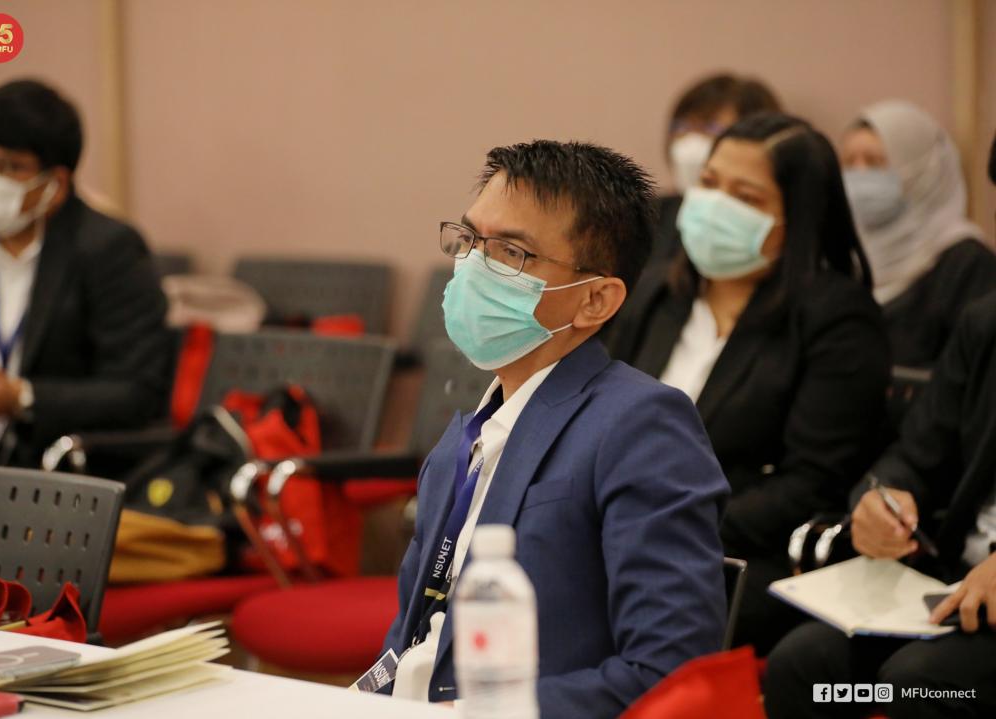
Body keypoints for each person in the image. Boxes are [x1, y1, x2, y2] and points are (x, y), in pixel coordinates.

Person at [379, 140, 729, 718]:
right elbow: (410, 643)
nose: (473, 266)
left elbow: (671, 672)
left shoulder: (640, 425)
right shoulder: (462, 440)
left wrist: (487, 714)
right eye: (470, 240)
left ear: (595, 300)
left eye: (511, 253)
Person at [606, 113, 891, 655]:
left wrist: (664, 523)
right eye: (709, 184)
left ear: (799, 217)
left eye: (746, 197)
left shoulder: (838, 319)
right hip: (621, 530)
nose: (715, 205)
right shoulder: (658, 295)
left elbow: (812, 485)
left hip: (739, 554)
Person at [762, 129, 996, 719]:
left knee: (919, 687)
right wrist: (883, 500)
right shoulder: (987, 324)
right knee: (804, 668)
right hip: (955, 582)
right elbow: (916, 454)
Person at [0, 80, 170, 468]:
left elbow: (136, 391)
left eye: (3, 166)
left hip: (54, 459)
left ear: (56, 183)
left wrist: (21, 398)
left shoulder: (108, 248)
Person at [840, 100, 996, 367]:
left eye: (875, 162)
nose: (859, 175)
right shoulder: (847, 255)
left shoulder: (968, 263)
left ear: (924, 171)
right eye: (849, 163)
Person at [653, 73, 781, 261]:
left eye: (709, 128)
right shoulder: (650, 216)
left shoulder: (756, 226)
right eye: (682, 127)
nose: (691, 140)